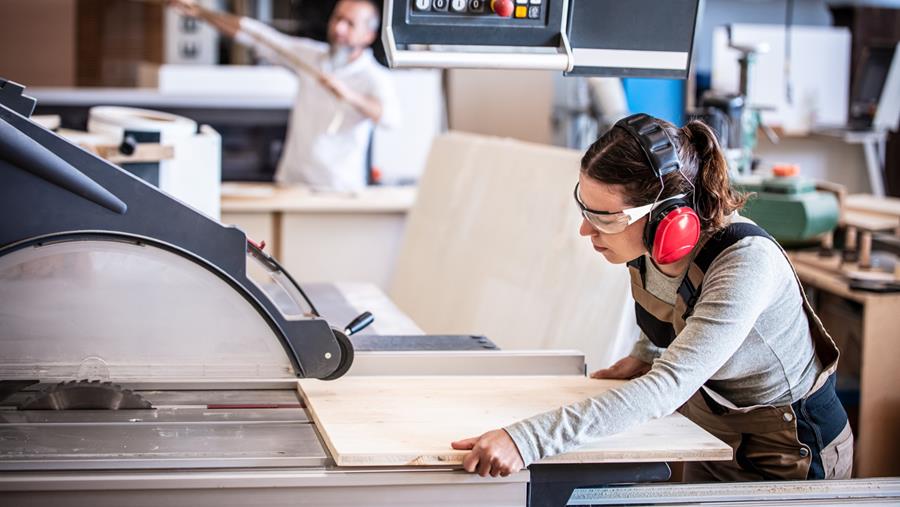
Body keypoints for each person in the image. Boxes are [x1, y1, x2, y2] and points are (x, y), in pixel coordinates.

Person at [451, 113, 853, 482]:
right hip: (714, 432)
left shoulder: (746, 264)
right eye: (586, 210)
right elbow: (674, 300)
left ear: (668, 218)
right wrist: (645, 352)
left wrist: (527, 441)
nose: (585, 232)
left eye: (604, 218)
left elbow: (668, 386)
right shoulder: (650, 245)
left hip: (791, 448)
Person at [168, 0, 400, 191]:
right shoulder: (311, 56)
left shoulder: (373, 77)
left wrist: (348, 94)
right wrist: (200, 12)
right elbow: (257, 35)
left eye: (350, 24)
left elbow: (390, 119)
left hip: (338, 189)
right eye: (337, 18)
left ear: (368, 35)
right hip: (292, 183)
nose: (339, 28)